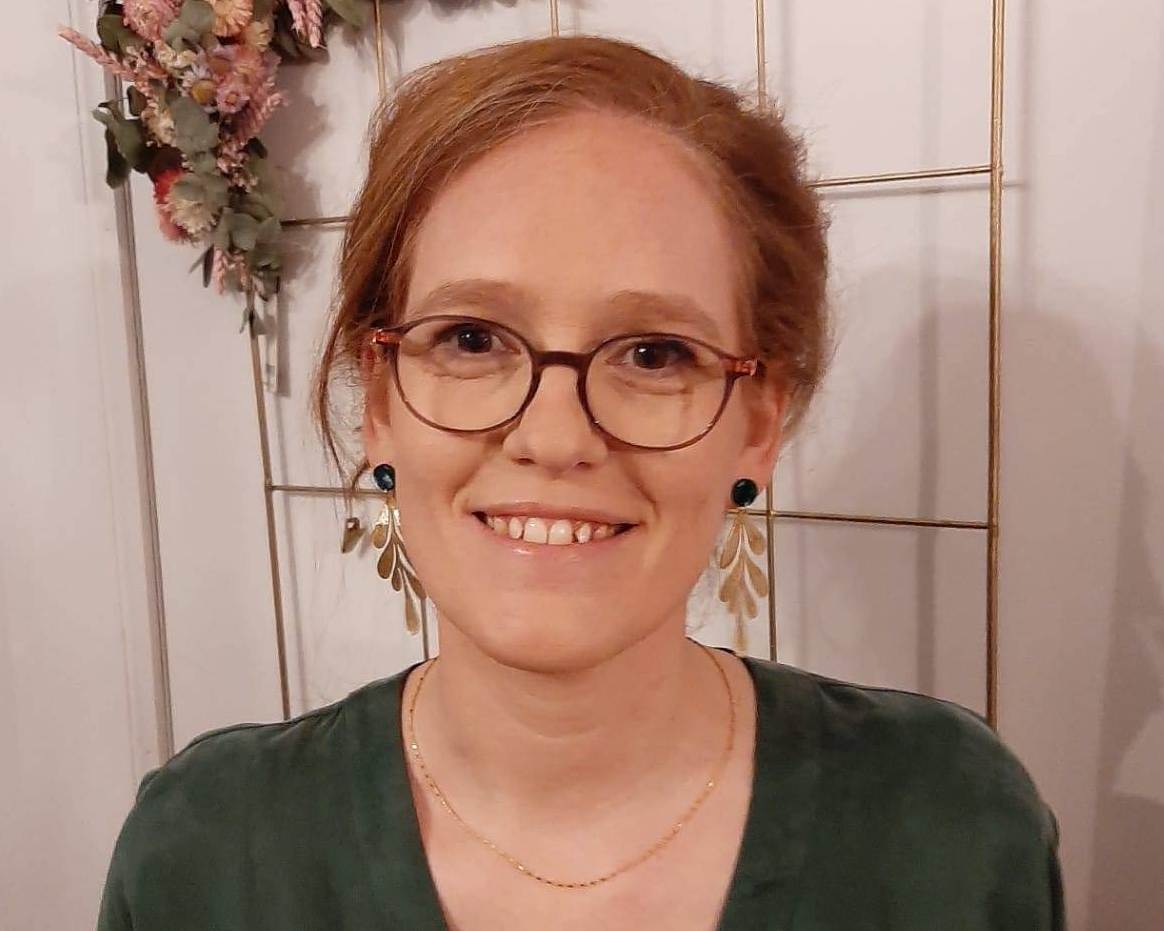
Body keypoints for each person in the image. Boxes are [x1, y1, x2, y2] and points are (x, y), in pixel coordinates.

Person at [96, 34, 1065, 930]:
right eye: (471, 337)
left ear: (759, 423)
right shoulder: (206, 857)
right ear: (380, 399)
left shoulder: (948, 833)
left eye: (653, 352)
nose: (554, 437)